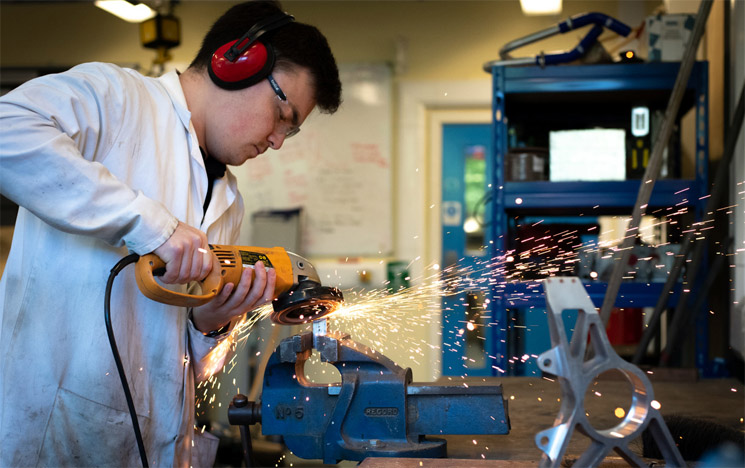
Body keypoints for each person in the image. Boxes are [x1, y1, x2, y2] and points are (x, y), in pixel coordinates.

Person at [0, 0, 341, 466]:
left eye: (292, 132)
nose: (278, 141)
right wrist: (149, 225)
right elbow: (7, 131)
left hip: (151, 441)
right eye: (282, 115)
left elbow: (179, 361)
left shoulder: (229, 200)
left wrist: (211, 324)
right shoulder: (117, 97)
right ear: (235, 64)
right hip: (52, 431)